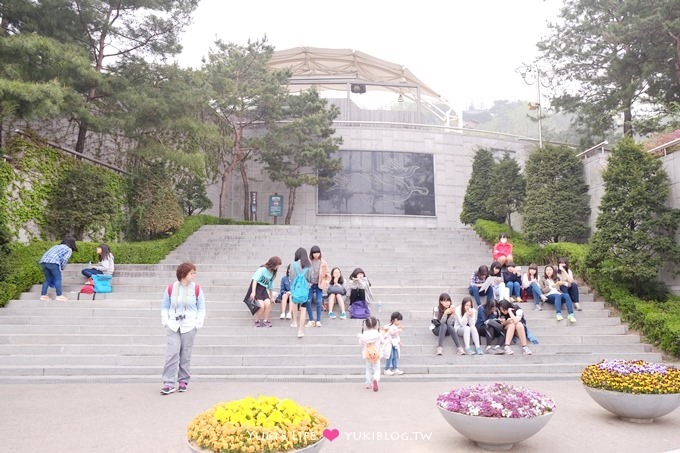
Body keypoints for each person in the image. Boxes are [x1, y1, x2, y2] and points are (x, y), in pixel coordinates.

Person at [160, 262, 206, 395]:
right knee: (172, 353)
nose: (193, 276)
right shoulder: (170, 288)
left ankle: (183, 381)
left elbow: (201, 308)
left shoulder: (196, 289)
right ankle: (168, 383)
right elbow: (165, 306)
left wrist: (198, 323)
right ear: (183, 273)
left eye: (194, 273)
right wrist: (165, 321)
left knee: (185, 354)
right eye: (191, 273)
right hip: (173, 324)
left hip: (189, 325)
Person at [244, 256, 282, 327]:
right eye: (277, 265)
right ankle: (257, 321)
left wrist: (271, 297)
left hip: (263, 290)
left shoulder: (273, 273)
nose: (278, 267)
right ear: (273, 264)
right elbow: (255, 280)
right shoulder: (262, 269)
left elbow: (270, 286)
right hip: (257, 288)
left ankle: (266, 321)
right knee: (261, 306)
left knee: (268, 303)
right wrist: (253, 292)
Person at [39, 236, 78, 301]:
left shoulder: (56, 246)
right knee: (58, 279)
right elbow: (64, 259)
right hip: (53, 262)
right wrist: (62, 267)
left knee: (47, 279)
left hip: (43, 262)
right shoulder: (68, 249)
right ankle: (59, 296)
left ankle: (43, 295)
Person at [305, 245, 331, 327]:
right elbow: (304, 273)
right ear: (311, 254)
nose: (316, 255)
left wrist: (326, 281)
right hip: (310, 284)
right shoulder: (308, 262)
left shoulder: (323, 262)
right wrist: (307, 282)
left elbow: (328, 273)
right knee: (308, 301)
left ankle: (318, 320)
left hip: (319, 284)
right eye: (314, 253)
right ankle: (311, 320)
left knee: (319, 301)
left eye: (317, 253)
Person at [289, 247, 312, 338]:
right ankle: (300, 331)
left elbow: (290, 277)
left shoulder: (293, 264)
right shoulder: (308, 266)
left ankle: (294, 321)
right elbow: (311, 278)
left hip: (295, 289)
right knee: (303, 309)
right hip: (305, 290)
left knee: (294, 303)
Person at [358, 316, 382, 392]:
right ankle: (375, 379)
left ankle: (368, 383)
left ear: (366, 325)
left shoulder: (364, 334)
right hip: (376, 354)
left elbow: (360, 343)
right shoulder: (378, 334)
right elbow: (383, 341)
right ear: (376, 325)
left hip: (367, 354)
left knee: (368, 369)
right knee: (377, 369)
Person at [382, 312, 404, 376]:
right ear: (394, 320)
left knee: (394, 356)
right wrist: (398, 330)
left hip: (394, 344)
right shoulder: (390, 326)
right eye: (398, 320)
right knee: (389, 356)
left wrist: (400, 343)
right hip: (389, 343)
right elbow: (391, 333)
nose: (399, 322)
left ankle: (395, 368)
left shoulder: (395, 326)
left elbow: (396, 336)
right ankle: (387, 369)